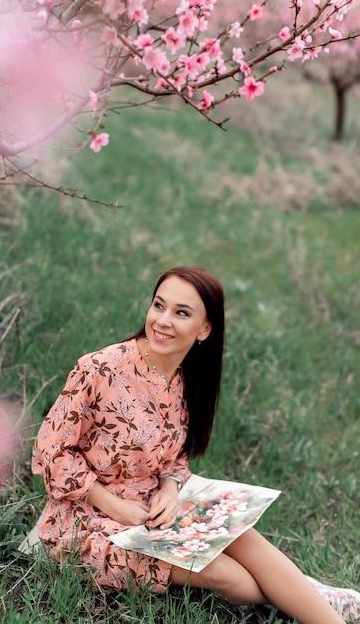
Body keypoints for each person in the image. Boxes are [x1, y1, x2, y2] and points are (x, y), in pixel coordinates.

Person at [31, 266, 360, 624]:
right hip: (86, 521)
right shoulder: (99, 369)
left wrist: (170, 490)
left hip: (154, 507)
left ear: (205, 329)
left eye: (181, 313)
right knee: (225, 574)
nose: (163, 321)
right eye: (159, 306)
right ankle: (315, 597)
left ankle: (319, 608)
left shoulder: (188, 378)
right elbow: (51, 452)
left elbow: (175, 458)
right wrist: (115, 505)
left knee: (245, 538)